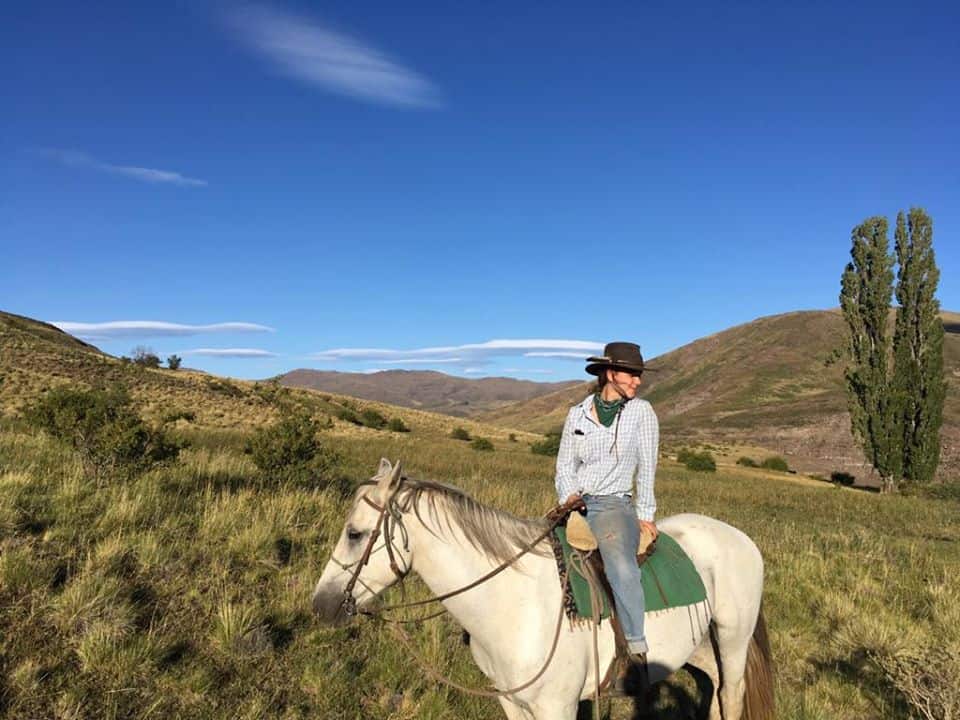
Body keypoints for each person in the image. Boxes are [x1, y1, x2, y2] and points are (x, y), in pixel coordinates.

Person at [554, 341, 659, 692]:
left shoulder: (642, 413)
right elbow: (565, 465)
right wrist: (568, 496)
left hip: (614, 505)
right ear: (609, 374)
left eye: (639, 375)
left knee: (619, 565)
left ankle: (635, 654)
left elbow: (648, 467)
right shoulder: (577, 414)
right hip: (576, 503)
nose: (638, 381)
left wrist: (645, 514)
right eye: (631, 374)